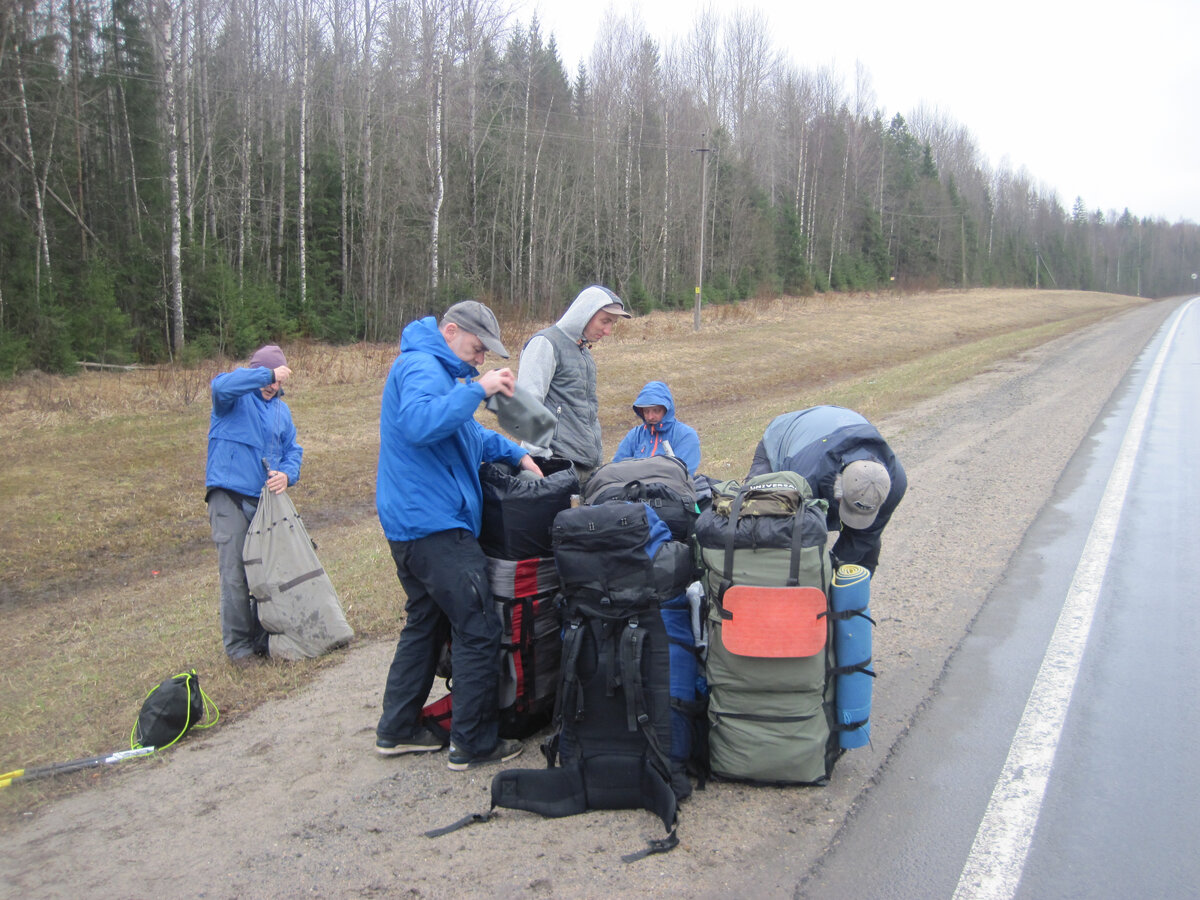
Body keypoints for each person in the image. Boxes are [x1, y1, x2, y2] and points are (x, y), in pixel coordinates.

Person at [375, 300, 544, 770]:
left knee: (425, 626)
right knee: (479, 627)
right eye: (477, 348)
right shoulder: (420, 366)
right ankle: (472, 742)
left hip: (414, 525)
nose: (480, 359)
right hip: (434, 527)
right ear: (450, 331)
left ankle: (397, 729)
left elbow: (465, 436)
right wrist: (479, 389)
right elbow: (420, 424)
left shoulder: (440, 374)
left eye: (486, 354)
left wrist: (515, 452)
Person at [205, 344, 302, 665]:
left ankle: (265, 639)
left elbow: (293, 451)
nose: (272, 386)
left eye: (276, 380)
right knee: (235, 575)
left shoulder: (281, 411)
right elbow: (220, 384)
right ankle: (239, 649)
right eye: (268, 378)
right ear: (256, 372)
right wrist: (266, 372)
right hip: (228, 496)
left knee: (265, 573)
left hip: (264, 504)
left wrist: (287, 475)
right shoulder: (230, 399)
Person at [747, 405, 906, 573]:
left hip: (837, 426)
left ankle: (852, 597)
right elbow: (787, 537)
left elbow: (865, 536)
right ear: (837, 487)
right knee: (758, 521)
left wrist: (836, 567)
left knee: (865, 550)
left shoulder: (895, 483)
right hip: (786, 434)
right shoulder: (803, 480)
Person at [515, 284, 631, 483]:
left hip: (585, 467)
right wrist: (542, 460)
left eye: (612, 323)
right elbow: (527, 404)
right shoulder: (545, 343)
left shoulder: (584, 351)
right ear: (585, 313)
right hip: (556, 468)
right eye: (604, 321)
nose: (608, 330)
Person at [612, 380, 702, 475]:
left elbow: (681, 475)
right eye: (646, 411)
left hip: (671, 488)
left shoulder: (685, 435)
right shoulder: (634, 435)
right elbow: (616, 469)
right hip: (634, 488)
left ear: (666, 409)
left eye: (656, 411)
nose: (650, 416)